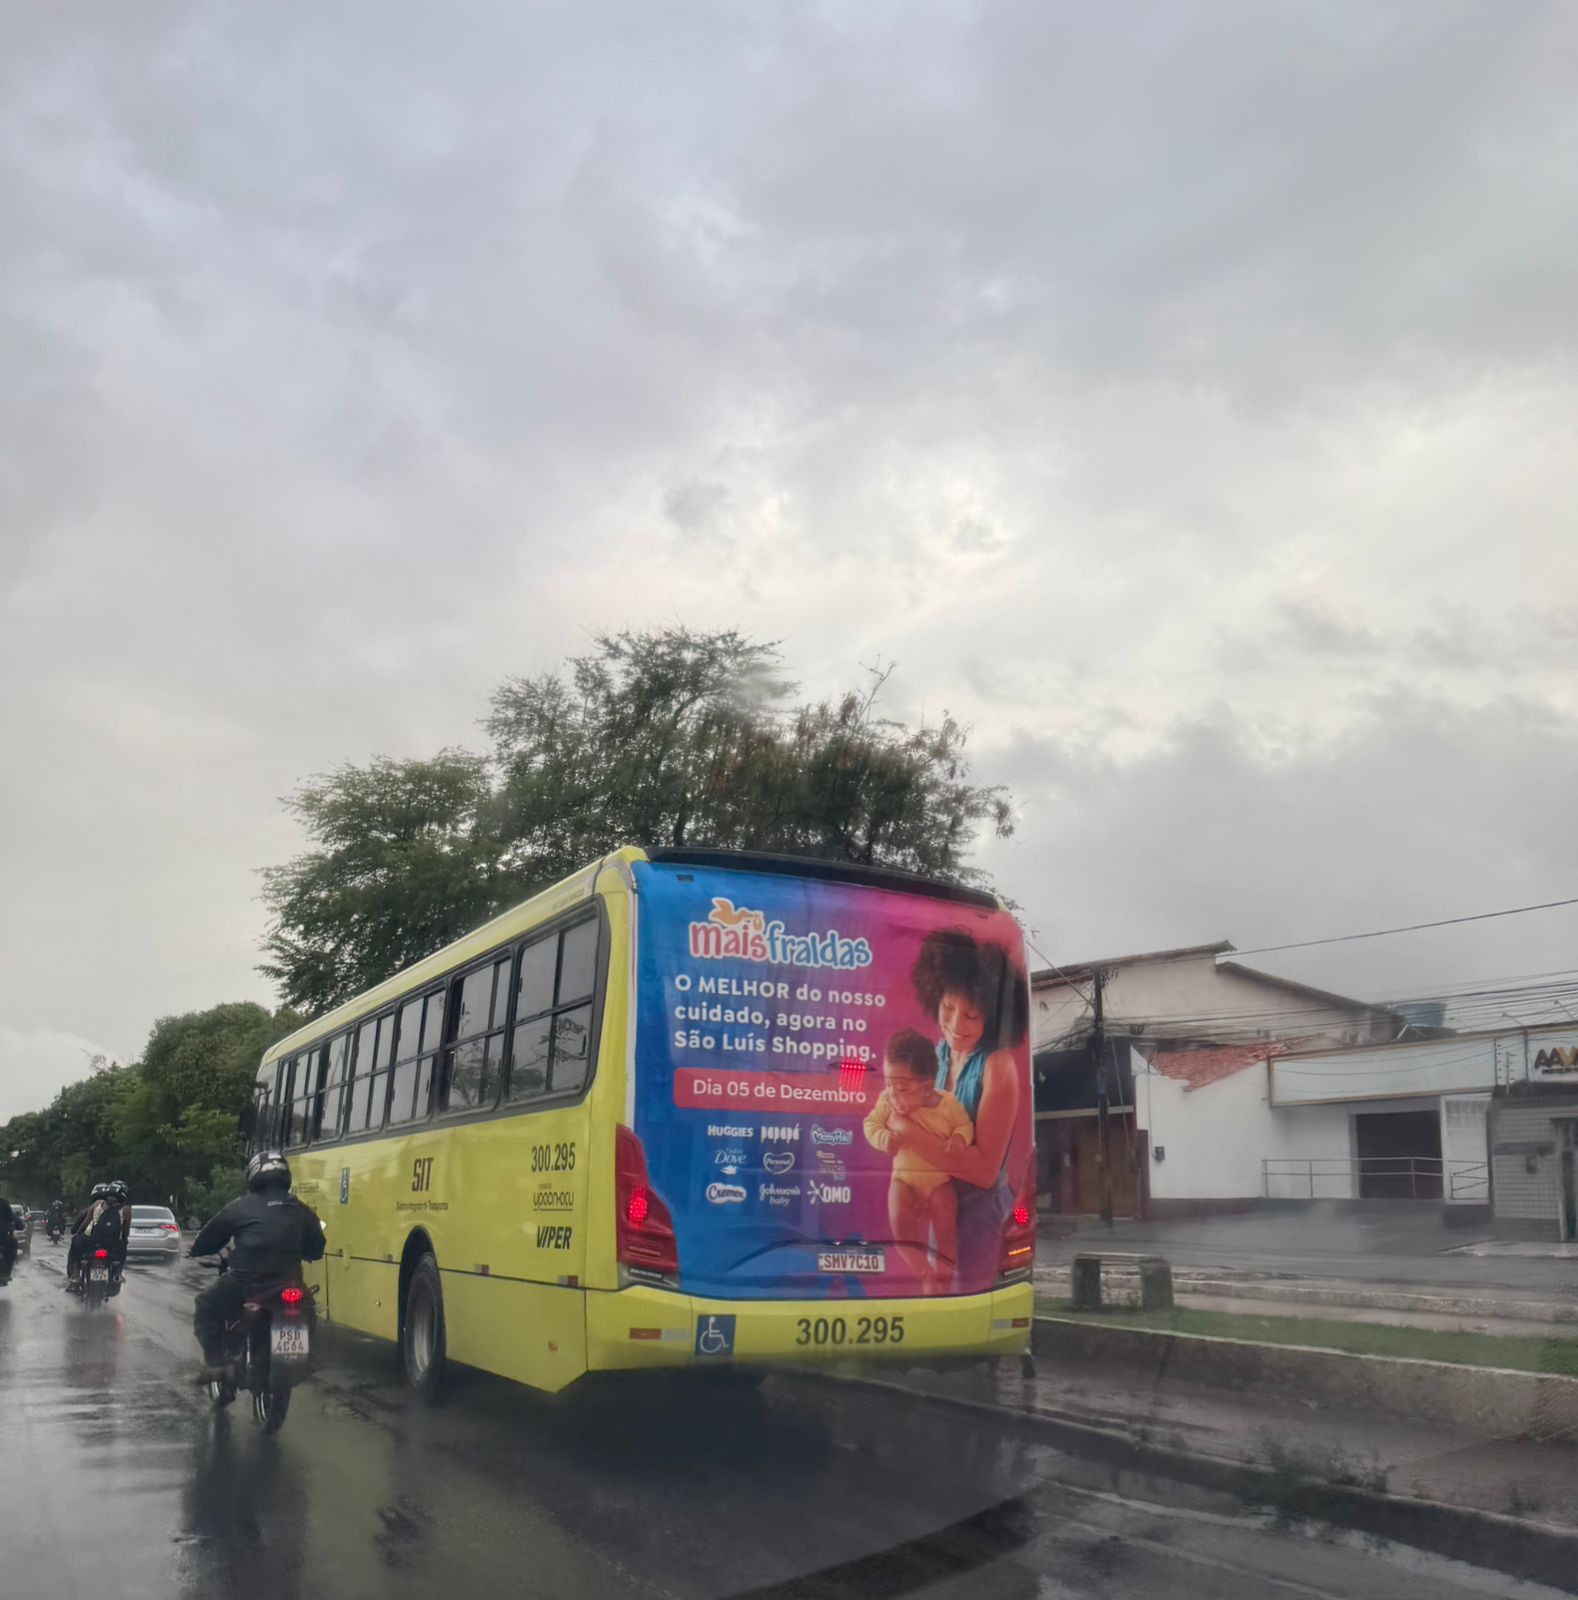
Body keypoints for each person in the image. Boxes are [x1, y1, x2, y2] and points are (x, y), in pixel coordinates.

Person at [884, 927, 1030, 1293]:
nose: (955, 1024)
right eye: (948, 1008)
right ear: (934, 996)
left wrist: (907, 1129)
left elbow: (983, 1171)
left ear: (993, 1018)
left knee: (970, 1300)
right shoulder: (939, 1052)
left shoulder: (998, 1066)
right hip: (942, 1200)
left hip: (982, 1212)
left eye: (973, 1015)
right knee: (937, 1293)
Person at [189, 1151, 326, 1379]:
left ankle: (215, 1365)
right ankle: (307, 1360)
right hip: (288, 1283)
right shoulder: (301, 1209)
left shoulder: (239, 1207)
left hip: (246, 1283)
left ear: (253, 1175)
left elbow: (208, 1238)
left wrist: (195, 1251)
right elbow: (317, 1248)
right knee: (308, 1309)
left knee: (204, 1306)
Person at [862, 1029, 973, 1293]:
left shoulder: (948, 1105)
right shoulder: (887, 1102)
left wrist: (958, 1139)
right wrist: (883, 1138)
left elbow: (965, 1126)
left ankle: (944, 1276)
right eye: (888, 1084)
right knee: (900, 1223)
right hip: (905, 1179)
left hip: (939, 1182)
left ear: (925, 1089)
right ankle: (924, 1273)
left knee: (946, 1223)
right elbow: (870, 1124)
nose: (892, 1094)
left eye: (901, 1088)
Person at [67, 1183, 125, 1290]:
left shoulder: (96, 1205)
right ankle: (117, 1273)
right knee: (121, 1251)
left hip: (93, 1239)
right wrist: (121, 1241)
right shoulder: (124, 1210)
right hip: (112, 1243)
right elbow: (124, 1231)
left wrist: (78, 1234)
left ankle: (76, 1274)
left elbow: (86, 1223)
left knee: (75, 1243)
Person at [0, 1186, 17, 1285]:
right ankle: (7, 1272)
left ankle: (7, 1273)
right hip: (4, 1237)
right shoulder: (4, 1203)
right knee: (13, 1246)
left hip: (4, 1238)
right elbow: (12, 1217)